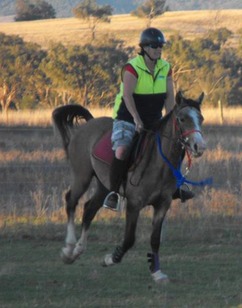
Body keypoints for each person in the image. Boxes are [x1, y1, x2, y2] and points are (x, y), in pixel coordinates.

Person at [103, 27, 194, 211]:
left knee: (177, 145)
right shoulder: (132, 67)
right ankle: (113, 193)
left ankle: (175, 186)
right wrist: (136, 119)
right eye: (154, 46)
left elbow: (169, 97)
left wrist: (172, 120)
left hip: (155, 120)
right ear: (144, 48)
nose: (159, 49)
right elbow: (127, 96)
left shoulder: (166, 68)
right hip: (128, 117)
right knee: (121, 151)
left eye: (161, 46)